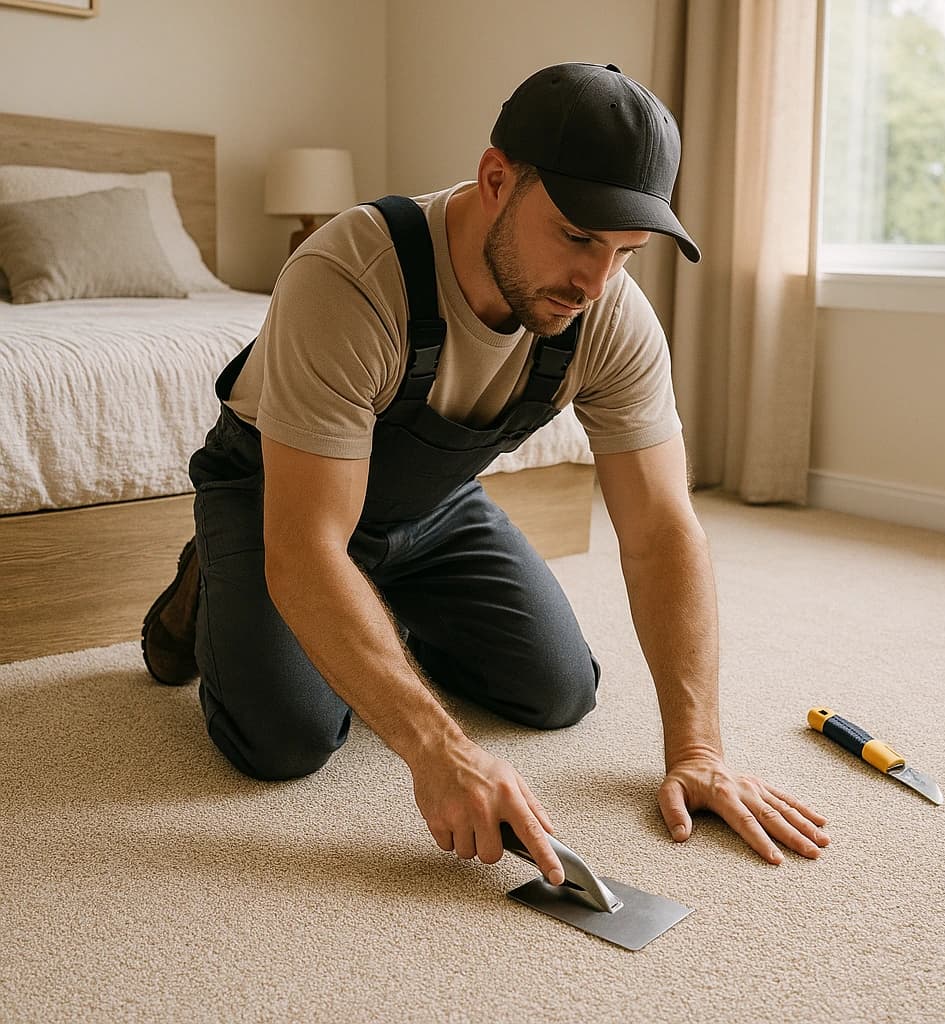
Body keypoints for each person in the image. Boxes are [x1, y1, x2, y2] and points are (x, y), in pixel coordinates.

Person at [142, 62, 829, 885]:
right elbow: (306, 546)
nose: (595, 282)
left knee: (559, 694)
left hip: (427, 508)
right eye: (577, 237)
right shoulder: (352, 275)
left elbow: (661, 526)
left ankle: (366, 608)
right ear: (496, 180)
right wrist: (440, 750)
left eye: (625, 252)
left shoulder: (608, 313)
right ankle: (208, 578)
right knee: (285, 741)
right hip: (278, 502)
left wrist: (699, 749)